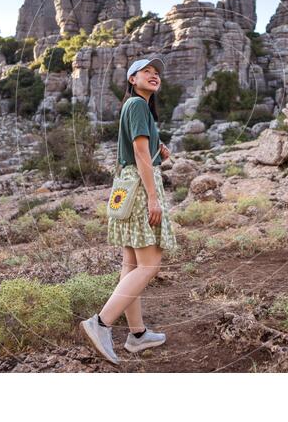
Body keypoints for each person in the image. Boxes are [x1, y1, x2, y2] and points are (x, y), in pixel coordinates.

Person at [79, 56, 178, 365]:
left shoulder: (138, 108)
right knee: (150, 266)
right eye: (146, 71)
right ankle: (101, 323)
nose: (154, 75)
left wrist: (159, 151)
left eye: (156, 72)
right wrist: (152, 197)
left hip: (126, 186)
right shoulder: (136, 105)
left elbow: (140, 149)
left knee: (132, 263)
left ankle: (137, 335)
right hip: (139, 190)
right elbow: (137, 152)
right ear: (132, 79)